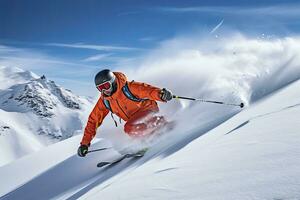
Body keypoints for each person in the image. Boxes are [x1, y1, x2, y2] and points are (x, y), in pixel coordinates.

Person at [78, 69, 173, 157]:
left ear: (113, 82)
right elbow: (93, 120)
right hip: (134, 118)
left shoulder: (128, 88)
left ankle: (155, 133)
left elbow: (147, 90)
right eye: (100, 88)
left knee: (129, 127)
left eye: (106, 86)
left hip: (148, 109)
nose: (104, 91)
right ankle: (156, 130)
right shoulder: (105, 100)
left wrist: (161, 94)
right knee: (131, 128)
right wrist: (84, 144)